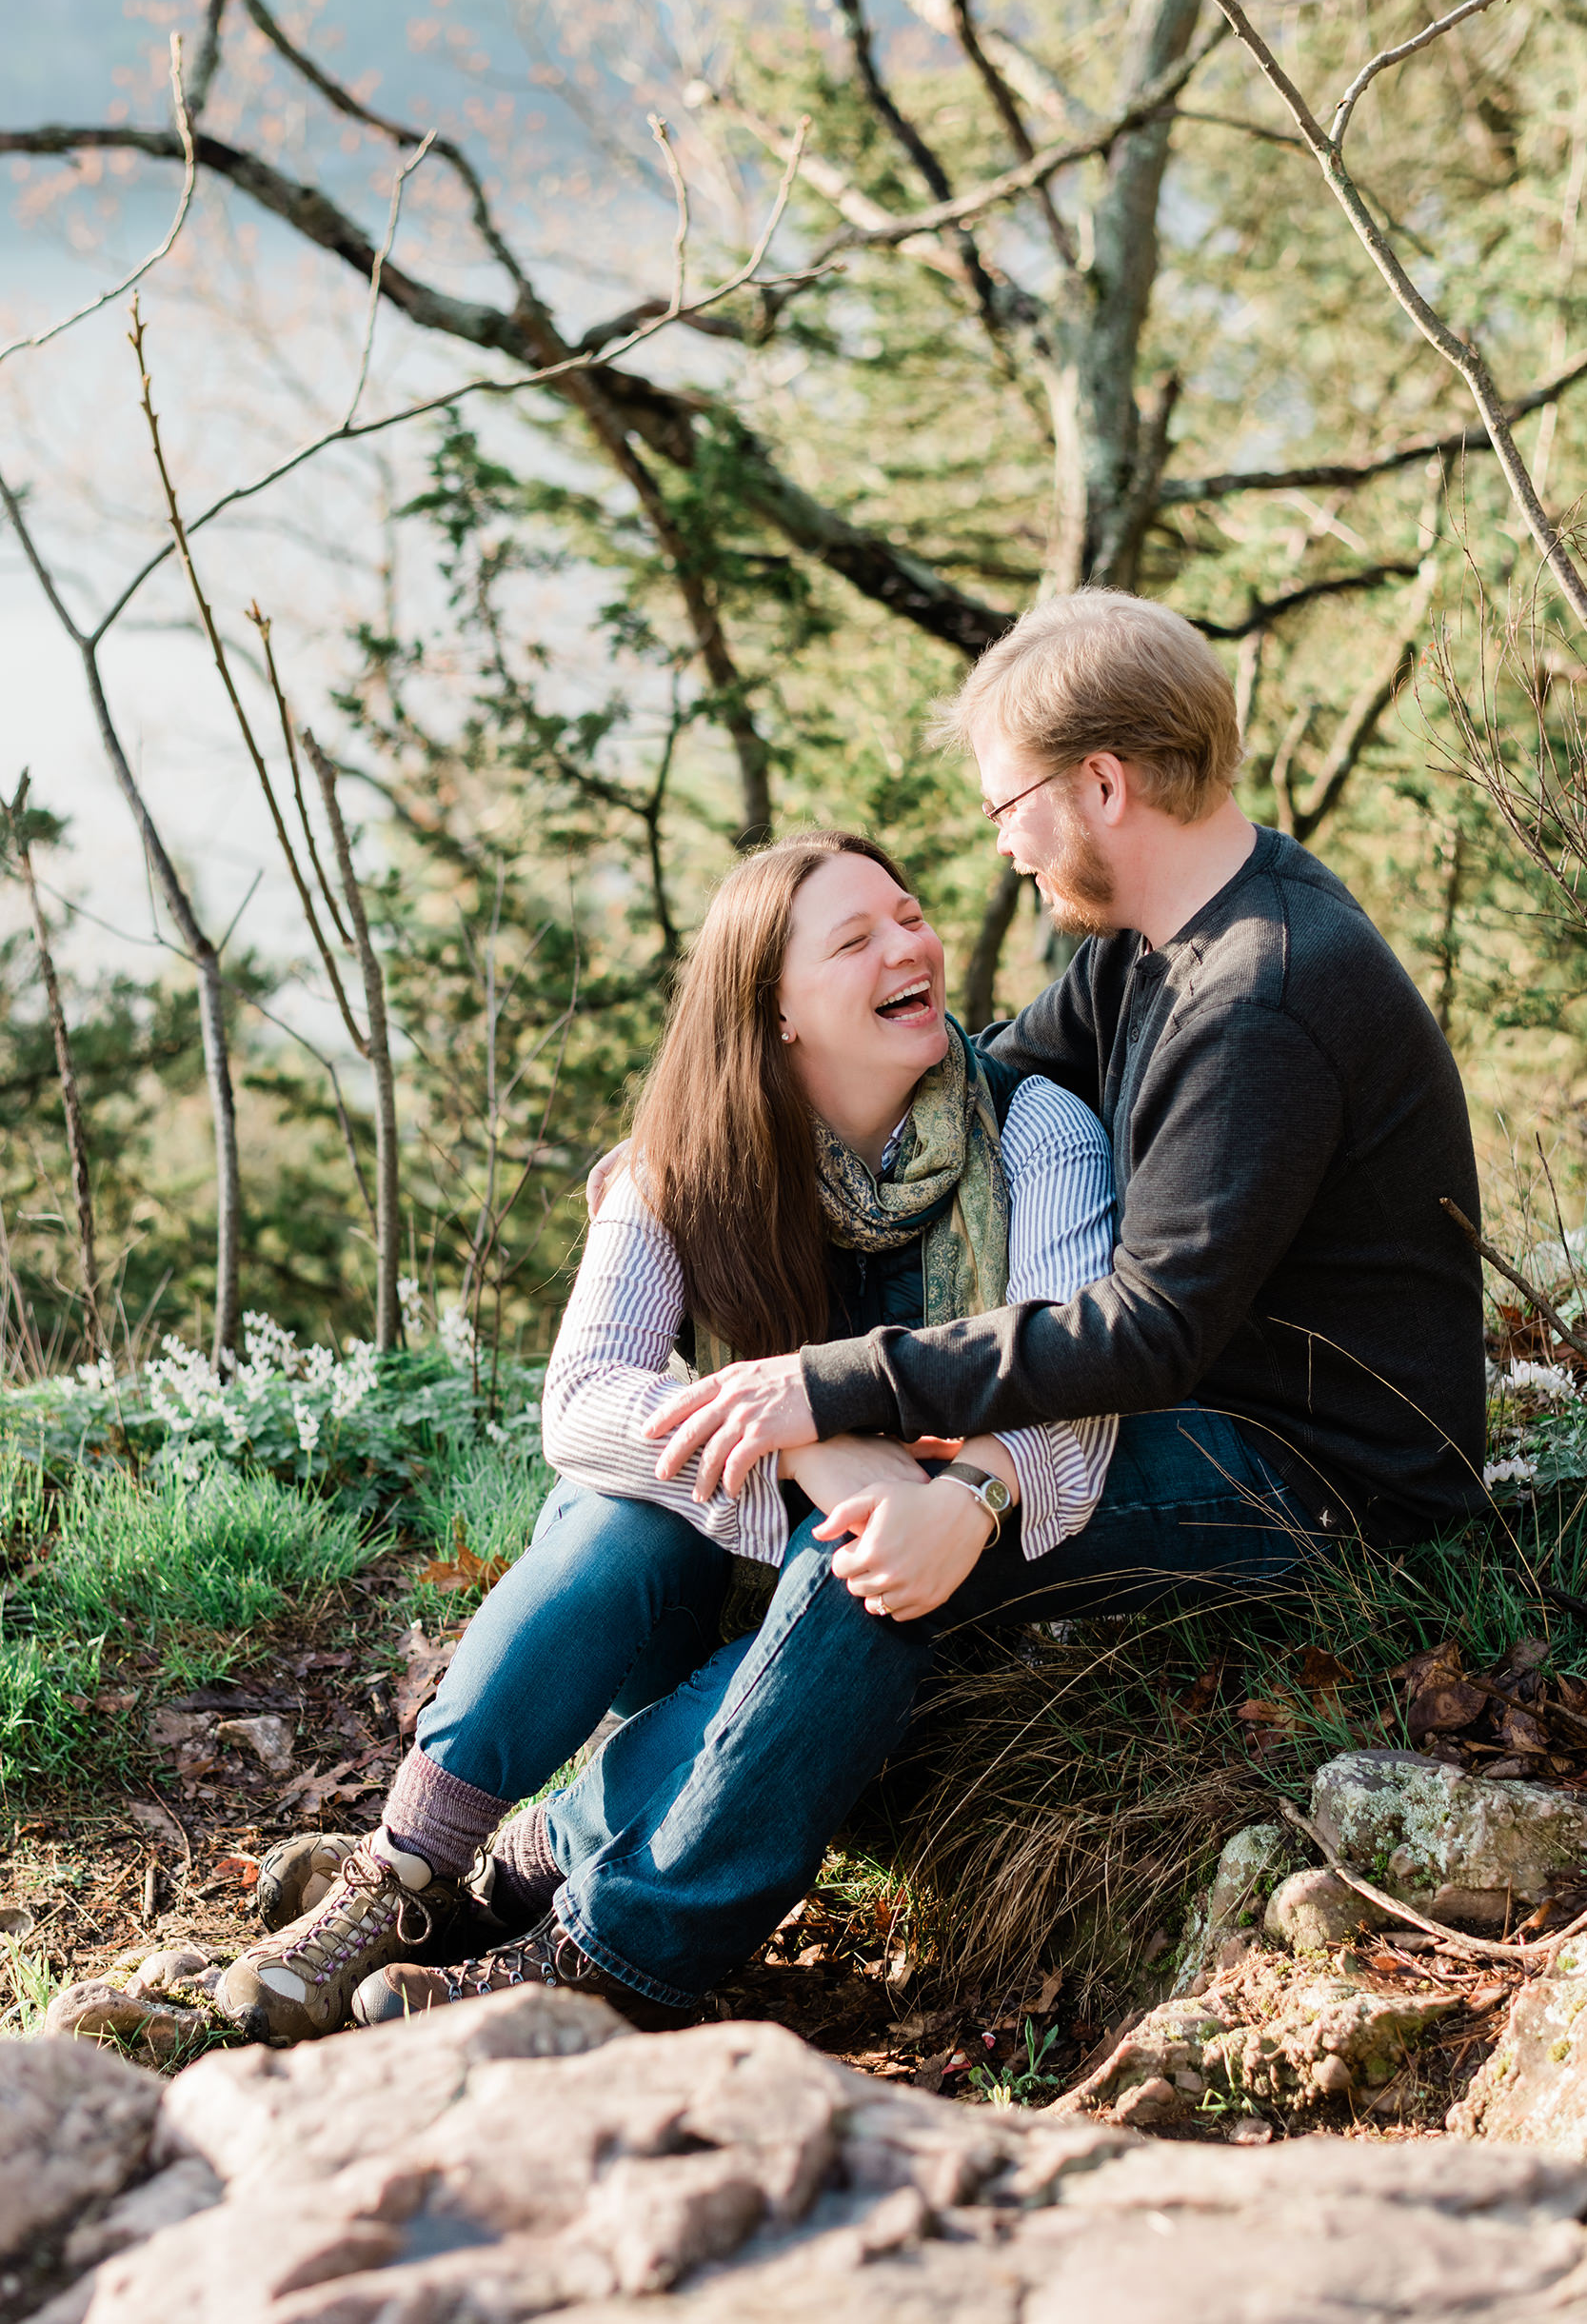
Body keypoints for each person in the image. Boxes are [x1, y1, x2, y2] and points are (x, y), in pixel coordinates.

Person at [217, 830, 1119, 2043]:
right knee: (620, 1514)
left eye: (908, 916)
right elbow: (582, 1395)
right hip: (725, 1579)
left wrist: (965, 1498)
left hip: (919, 1595)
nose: (910, 945)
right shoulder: (684, 1161)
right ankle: (401, 1872)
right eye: (855, 938)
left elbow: (1073, 1382)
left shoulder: (1035, 1133)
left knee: (855, 1561)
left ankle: (570, 1922)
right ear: (774, 1008)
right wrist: (796, 1441)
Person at [643, 588, 1486, 1564]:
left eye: (1007, 805)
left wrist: (833, 1382)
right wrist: (718, 1126)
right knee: (854, 1493)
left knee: (886, 1517)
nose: (1003, 846)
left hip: (1334, 1478)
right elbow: (982, 1081)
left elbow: (1141, 1331)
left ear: (1099, 785)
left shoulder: (1259, 999)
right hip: (1222, 1404)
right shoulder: (1150, 941)